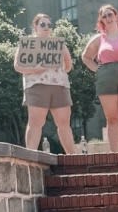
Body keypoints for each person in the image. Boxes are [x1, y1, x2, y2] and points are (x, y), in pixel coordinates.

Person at [81, 5, 118, 152]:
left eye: (110, 15)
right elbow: (86, 57)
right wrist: (98, 70)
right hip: (106, 81)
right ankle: (115, 155)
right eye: (104, 16)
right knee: (112, 118)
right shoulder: (99, 39)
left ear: (116, 16)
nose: (108, 18)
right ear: (101, 20)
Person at [14, 13, 75, 154]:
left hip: (59, 86)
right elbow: (17, 66)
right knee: (36, 122)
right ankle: (30, 157)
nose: (46, 27)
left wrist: (59, 70)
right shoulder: (28, 44)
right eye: (43, 24)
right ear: (35, 26)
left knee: (64, 123)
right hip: (36, 86)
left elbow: (69, 65)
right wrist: (37, 69)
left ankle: (73, 157)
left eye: (49, 25)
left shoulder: (58, 44)